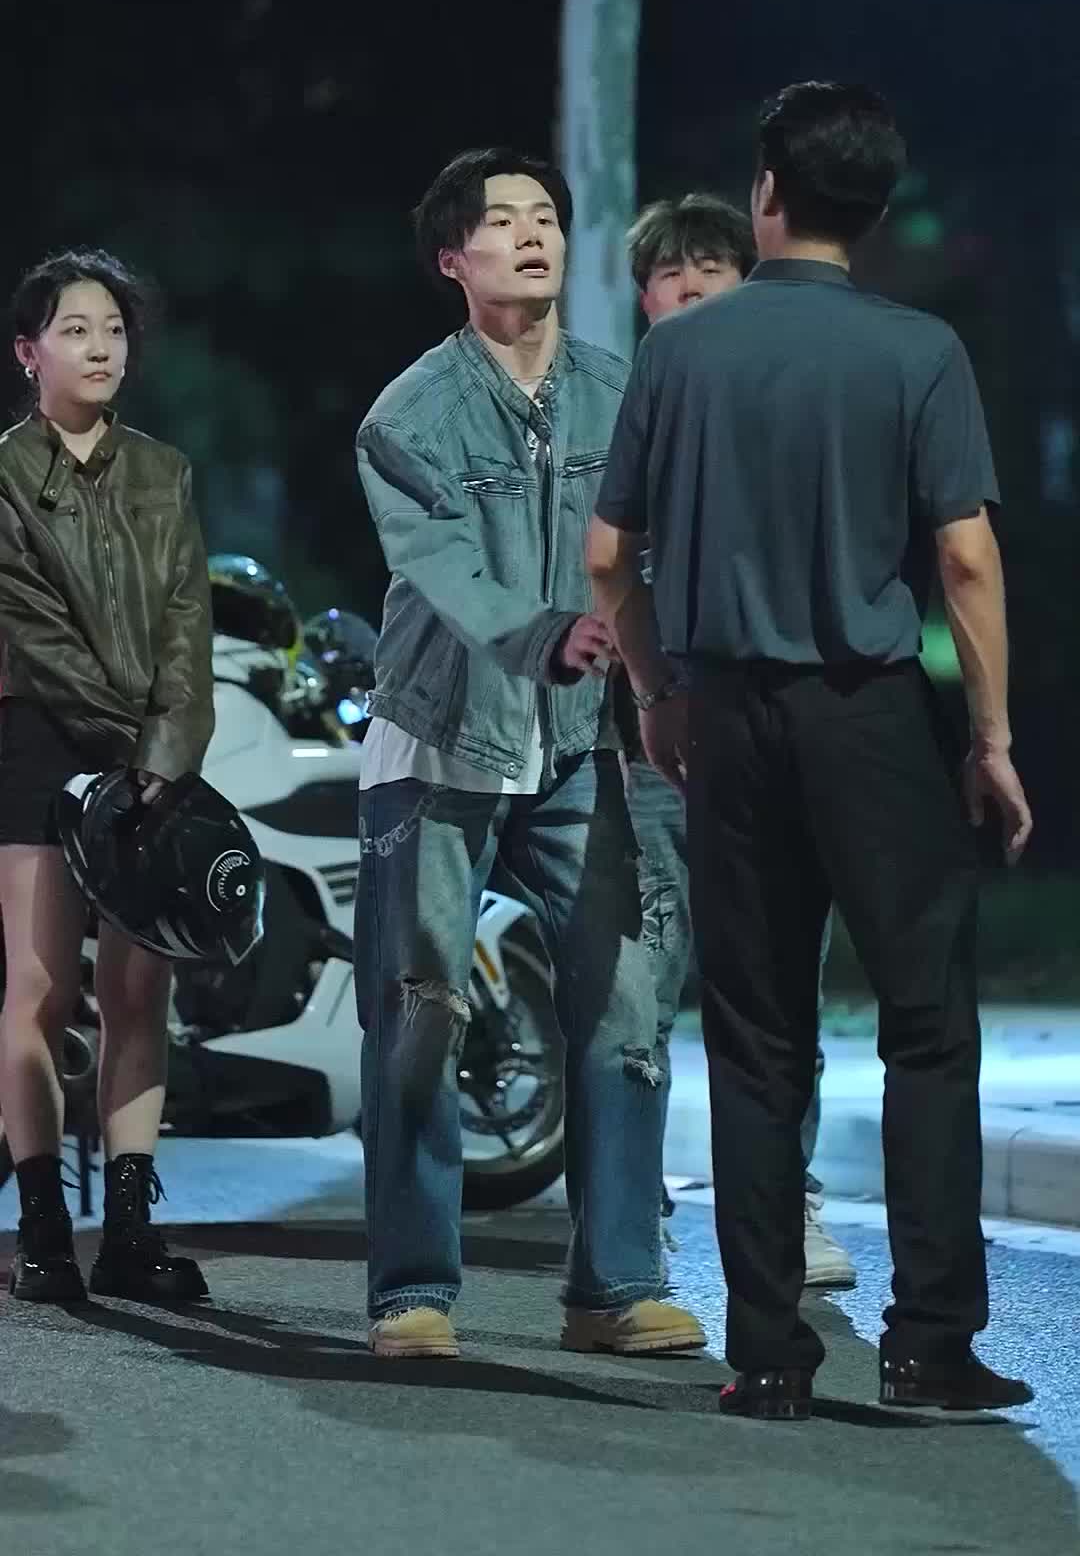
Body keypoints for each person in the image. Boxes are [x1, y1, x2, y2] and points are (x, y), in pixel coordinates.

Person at [587, 82, 1034, 1419]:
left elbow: (608, 559)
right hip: (872, 716)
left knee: (755, 1037)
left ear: (768, 191)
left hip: (727, 715)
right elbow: (965, 558)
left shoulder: (679, 354)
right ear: (876, 209)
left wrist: (659, 693)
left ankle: (770, 1353)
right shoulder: (918, 351)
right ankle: (929, 1344)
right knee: (926, 1025)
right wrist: (992, 738)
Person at [353, 146, 704, 1361]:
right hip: (440, 740)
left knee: (627, 1008)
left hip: (589, 741)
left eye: (545, 216)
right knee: (420, 1017)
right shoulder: (408, 413)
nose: (532, 235)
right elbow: (444, 567)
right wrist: (547, 633)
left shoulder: (625, 393)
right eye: (502, 221)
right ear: (453, 260)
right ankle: (411, 1293)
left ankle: (615, 1286)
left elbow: (667, 549)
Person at [619, 193, 855, 1291]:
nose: (693, 286)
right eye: (671, 273)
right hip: (653, 738)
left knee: (779, 985)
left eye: (712, 266)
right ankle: (636, 1208)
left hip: (779, 723)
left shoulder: (792, 393)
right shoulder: (623, 403)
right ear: (645, 298)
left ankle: (787, 1200)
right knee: (639, 986)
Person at [0, 250, 214, 1304]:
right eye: (75, 329)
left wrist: (164, 754)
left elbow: (186, 625)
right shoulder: (2, 475)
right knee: (39, 989)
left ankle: (129, 1232)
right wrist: (129, 738)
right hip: (35, 741)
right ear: (28, 352)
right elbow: (35, 635)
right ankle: (43, 1232)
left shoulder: (164, 473)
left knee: (140, 989)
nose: (100, 348)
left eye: (114, 330)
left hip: (148, 758)